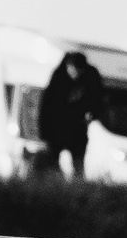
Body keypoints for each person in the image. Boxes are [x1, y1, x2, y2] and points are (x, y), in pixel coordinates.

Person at [35, 50, 105, 178]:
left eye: (79, 71)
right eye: (73, 70)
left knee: (78, 163)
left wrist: (92, 114)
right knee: (52, 162)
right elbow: (46, 107)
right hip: (57, 128)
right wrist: (44, 133)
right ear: (68, 66)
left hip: (77, 128)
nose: (75, 74)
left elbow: (98, 99)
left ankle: (76, 187)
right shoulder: (58, 78)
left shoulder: (91, 76)